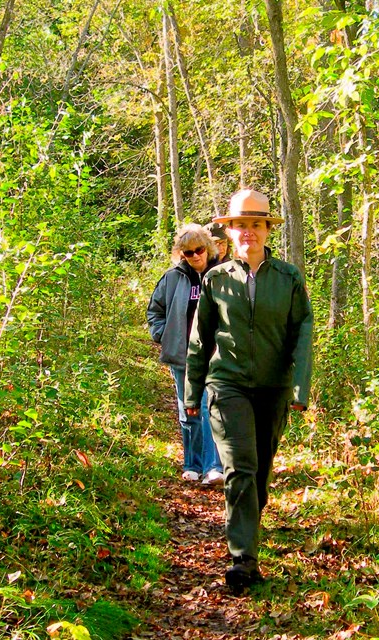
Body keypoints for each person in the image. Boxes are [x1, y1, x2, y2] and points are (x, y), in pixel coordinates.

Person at [184, 189, 313, 589]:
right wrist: (192, 392)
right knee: (240, 467)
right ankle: (244, 559)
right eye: (241, 225)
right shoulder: (216, 279)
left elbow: (303, 332)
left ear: (266, 229)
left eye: (256, 225)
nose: (249, 233)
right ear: (230, 231)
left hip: (273, 387)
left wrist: (299, 386)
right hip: (228, 384)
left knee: (259, 473)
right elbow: (200, 338)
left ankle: (248, 536)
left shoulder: (288, 278)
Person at [147, 224, 224, 486]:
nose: (195, 256)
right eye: (188, 252)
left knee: (209, 407)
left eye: (199, 250)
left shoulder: (223, 274)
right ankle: (192, 464)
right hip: (182, 356)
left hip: (215, 356)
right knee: (187, 410)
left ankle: (214, 466)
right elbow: (155, 310)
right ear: (182, 254)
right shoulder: (173, 278)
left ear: (208, 247)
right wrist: (163, 334)